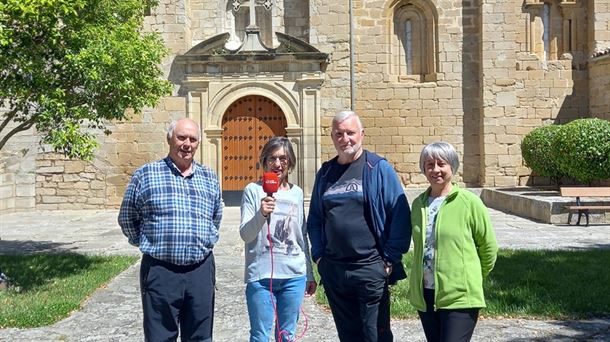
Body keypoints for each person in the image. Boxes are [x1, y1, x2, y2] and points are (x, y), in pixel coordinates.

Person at [307, 110, 412, 341]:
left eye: (350, 133)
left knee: (375, 335)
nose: (345, 139)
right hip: (334, 270)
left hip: (370, 268)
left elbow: (401, 215)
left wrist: (387, 260)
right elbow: (314, 218)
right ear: (333, 137)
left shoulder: (378, 168)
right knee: (348, 336)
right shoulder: (325, 173)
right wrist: (319, 258)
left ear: (362, 134)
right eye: (339, 134)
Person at [118, 118, 223, 342]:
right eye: (181, 137)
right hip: (160, 272)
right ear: (169, 139)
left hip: (201, 271)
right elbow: (127, 217)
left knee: (201, 337)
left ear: (198, 143)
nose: (187, 144)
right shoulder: (145, 175)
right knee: (159, 337)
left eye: (192, 139)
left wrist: (204, 240)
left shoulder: (210, 177)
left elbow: (216, 218)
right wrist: (148, 242)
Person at [409, 142, 498, 342]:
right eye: (429, 164)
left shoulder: (469, 202)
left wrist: (471, 276)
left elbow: (489, 247)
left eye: (442, 164)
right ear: (423, 169)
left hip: (460, 295)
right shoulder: (418, 205)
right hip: (426, 294)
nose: (435, 170)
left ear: (452, 167)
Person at [239, 136, 317, 342]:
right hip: (261, 277)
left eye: (283, 158)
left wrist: (309, 274)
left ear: (290, 162)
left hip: (294, 276)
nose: (277, 164)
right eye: (272, 158)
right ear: (264, 162)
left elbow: (301, 236)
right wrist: (261, 214)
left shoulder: (297, 193)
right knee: (260, 336)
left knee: (286, 336)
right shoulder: (253, 191)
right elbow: (246, 235)